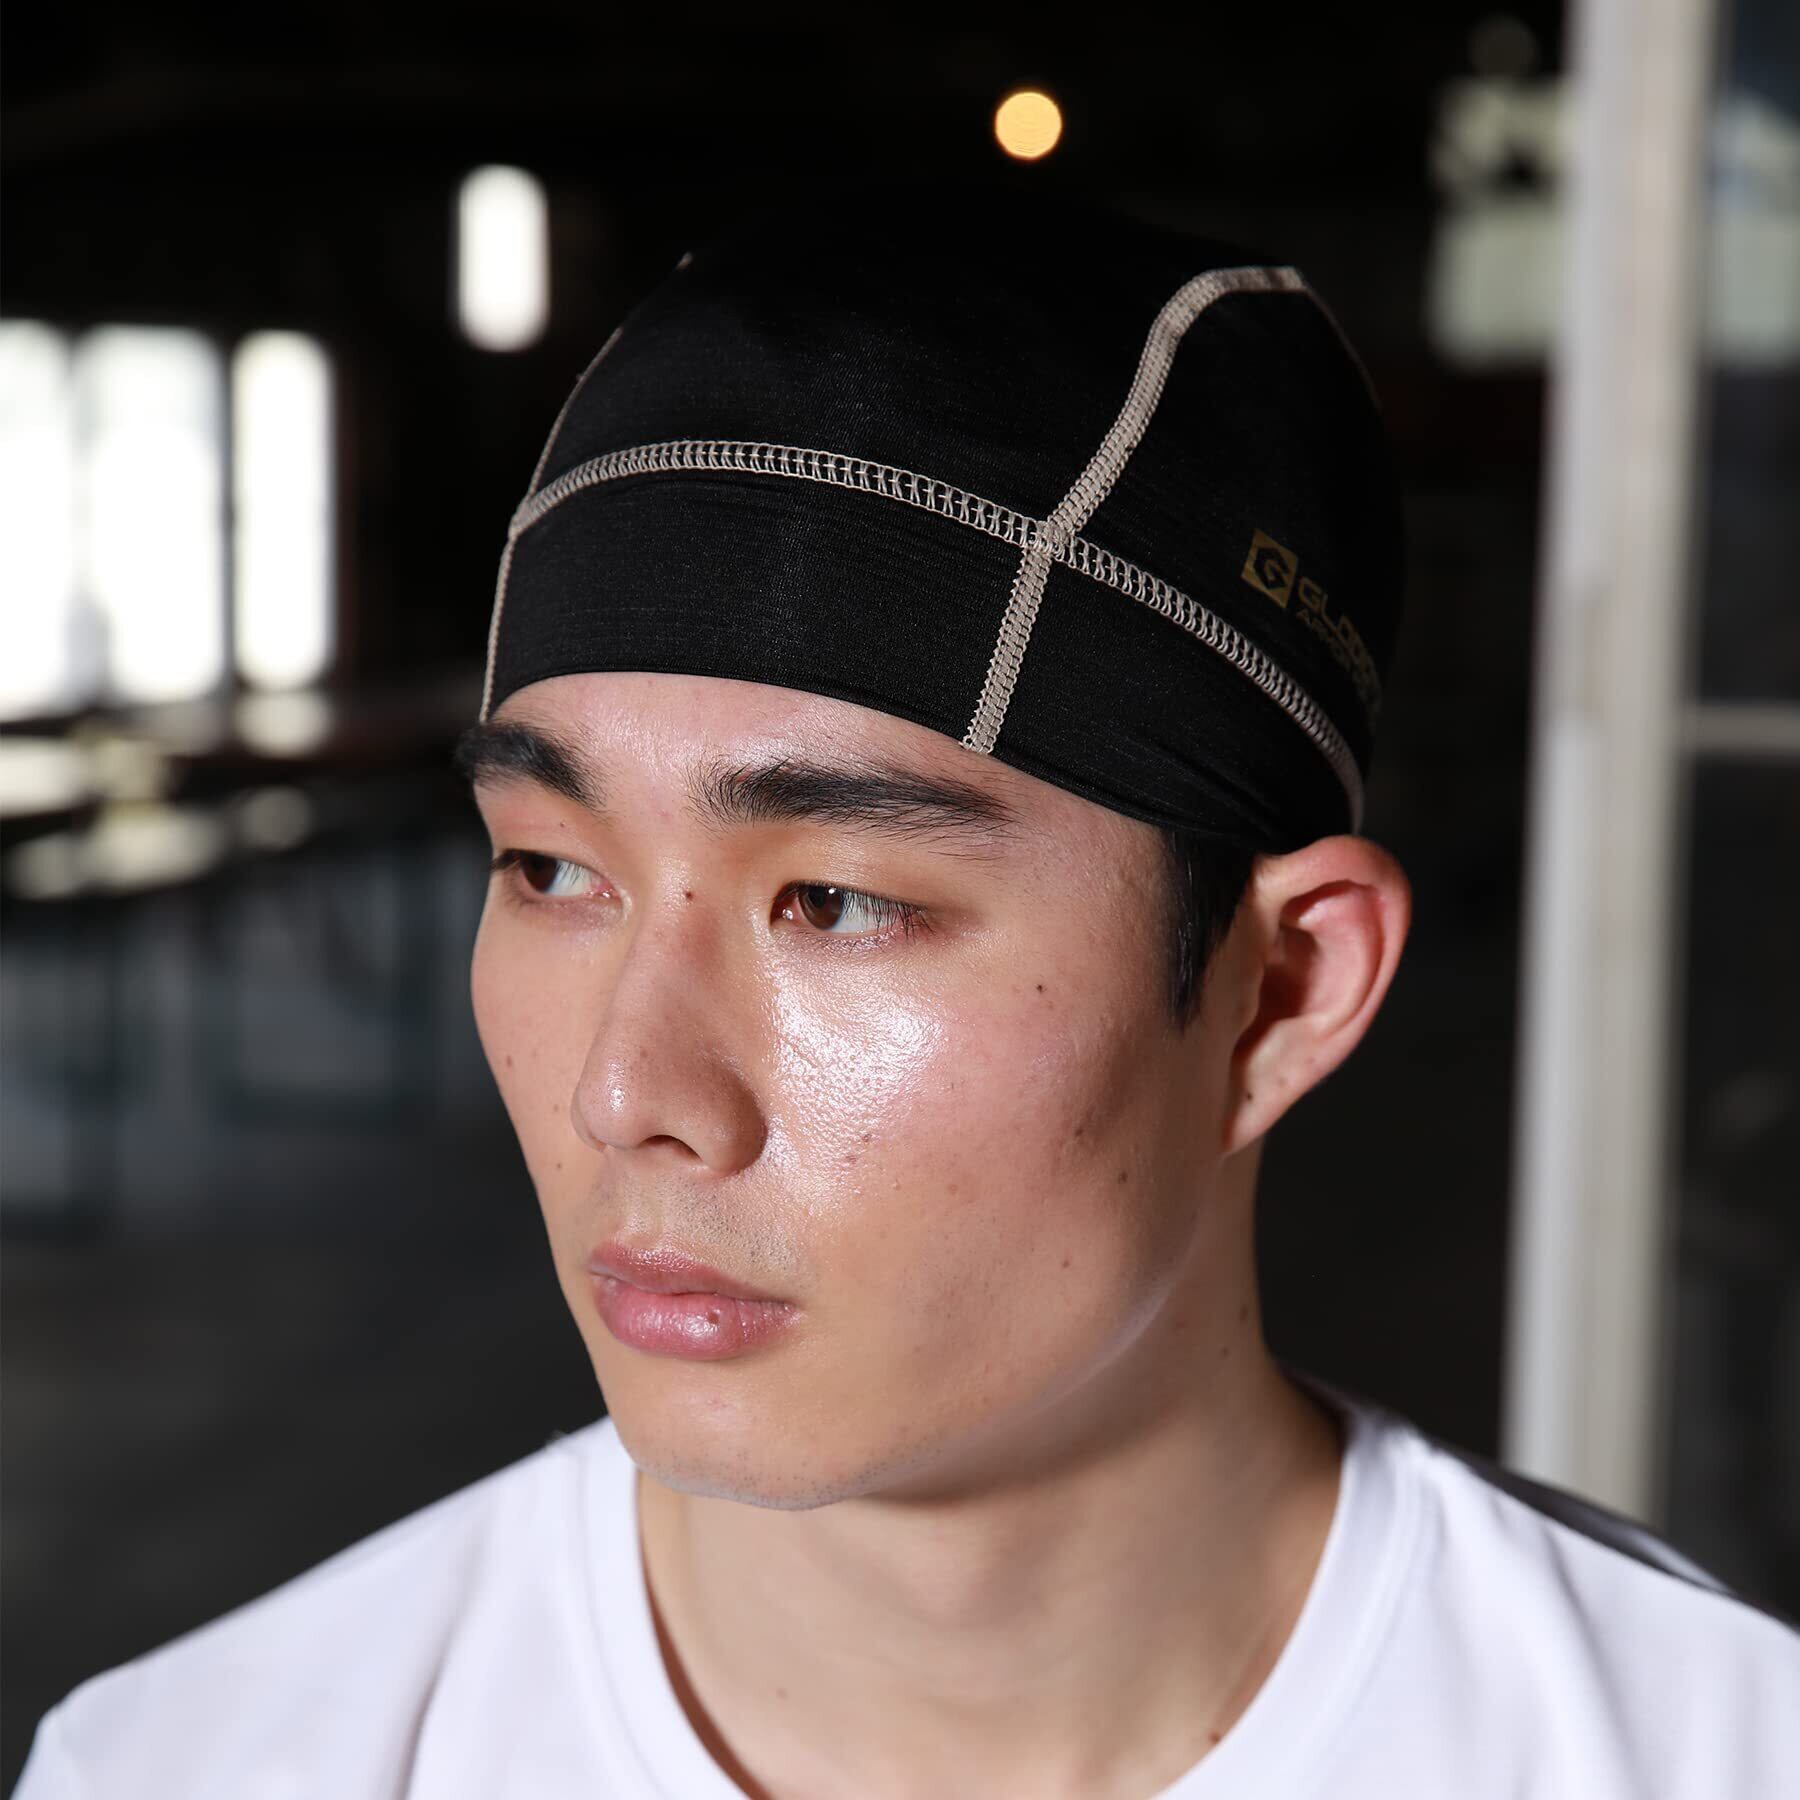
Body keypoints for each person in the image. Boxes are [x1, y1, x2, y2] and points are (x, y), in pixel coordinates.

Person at [16, 182, 1797, 1799]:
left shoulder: (1705, 1751)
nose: (629, 1090)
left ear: (1281, 991)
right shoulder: (200, 1767)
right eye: (553, 871)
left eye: (840, 902)